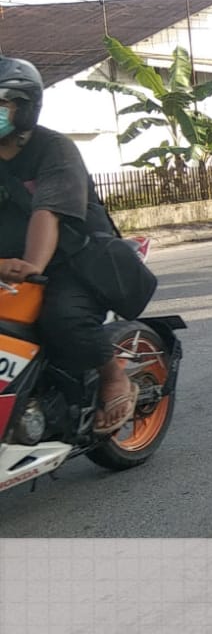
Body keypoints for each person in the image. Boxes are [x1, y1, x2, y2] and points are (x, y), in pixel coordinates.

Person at [0, 57, 138, 433]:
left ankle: (113, 377)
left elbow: (48, 213)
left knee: (64, 319)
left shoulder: (54, 149)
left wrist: (32, 265)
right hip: (8, 263)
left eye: (1, 103)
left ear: (25, 106)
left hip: (75, 259)